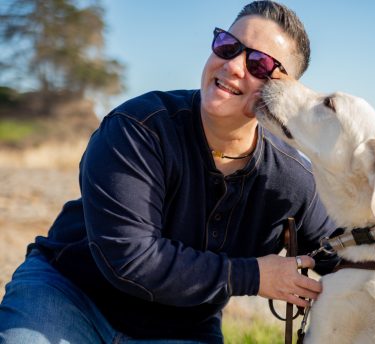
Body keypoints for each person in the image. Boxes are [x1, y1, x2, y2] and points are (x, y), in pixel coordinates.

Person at [0, 1, 338, 343]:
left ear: (284, 92)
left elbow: (343, 256)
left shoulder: (294, 179)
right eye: (228, 45)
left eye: (259, 64)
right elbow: (130, 258)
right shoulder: (136, 129)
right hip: (71, 294)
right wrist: (253, 275)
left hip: (184, 327)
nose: (233, 66)